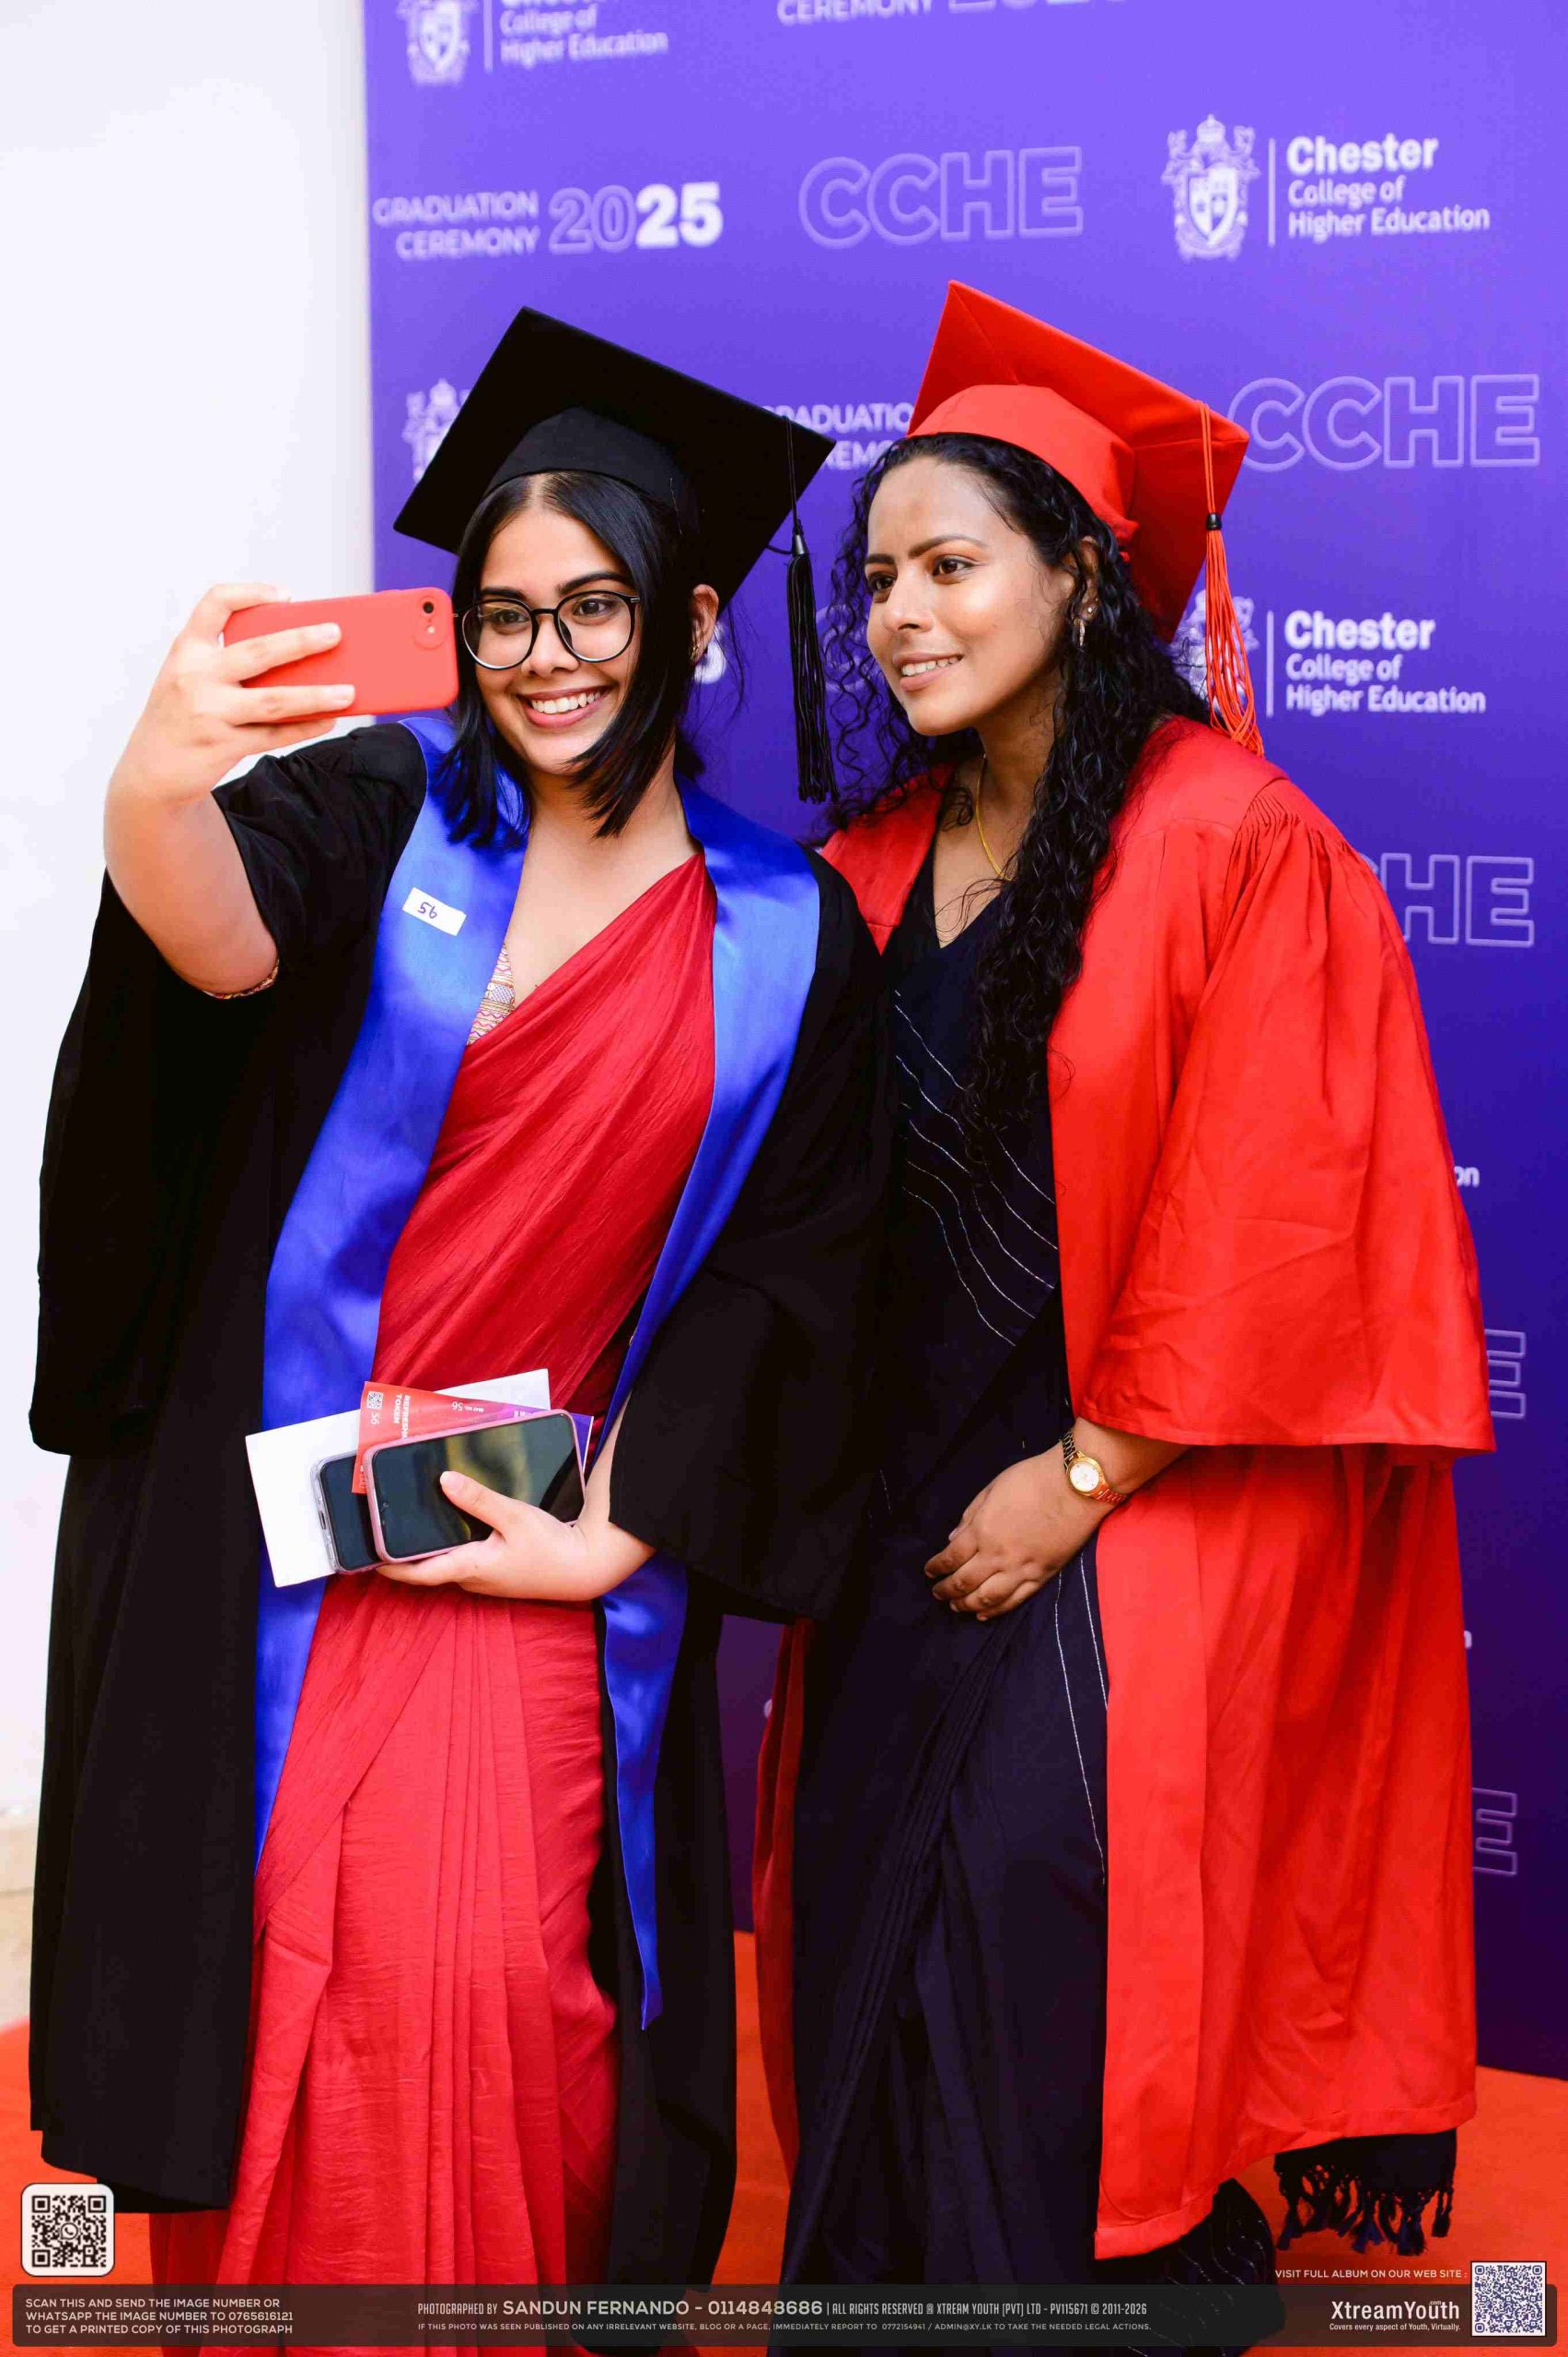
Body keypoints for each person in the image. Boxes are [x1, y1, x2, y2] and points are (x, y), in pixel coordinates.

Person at [29, 306, 889, 2308]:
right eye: (502, 614)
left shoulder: (784, 931)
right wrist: (152, 793)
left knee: (504, 1984)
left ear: (690, 624)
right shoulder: (386, 804)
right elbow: (218, 944)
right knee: (280, 1990)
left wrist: (628, 1518)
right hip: (291, 1543)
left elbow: (799, 1272)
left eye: (594, 607)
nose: (544, 655)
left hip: (528, 1546)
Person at [755, 284, 1493, 2317]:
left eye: (953, 566)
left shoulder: (1235, 844)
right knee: (860, 1892)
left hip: (1131, 1486)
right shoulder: (873, 859)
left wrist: (1080, 1477)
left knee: (1031, 1879)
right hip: (897, 1482)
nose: (902, 613)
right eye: (880, 576)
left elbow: (1277, 1213)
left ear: (1082, 577)